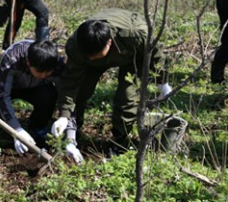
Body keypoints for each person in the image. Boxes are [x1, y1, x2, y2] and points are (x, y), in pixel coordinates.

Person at [50, 9, 172, 164]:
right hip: (92, 61)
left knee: (127, 99)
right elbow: (71, 83)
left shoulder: (135, 34)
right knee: (80, 92)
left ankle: (119, 142)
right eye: (89, 55)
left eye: (96, 54)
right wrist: (64, 116)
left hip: (132, 56)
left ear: (109, 42)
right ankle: (72, 136)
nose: (92, 57)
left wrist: (163, 82)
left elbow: (157, 53)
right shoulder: (77, 46)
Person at [0, 39, 64, 155]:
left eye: (47, 74)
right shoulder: (12, 58)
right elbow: (2, 95)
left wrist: (64, 118)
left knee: (49, 94)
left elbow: (65, 93)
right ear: (28, 62)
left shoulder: (56, 62)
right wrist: (16, 129)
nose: (43, 76)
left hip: (36, 88)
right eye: (40, 72)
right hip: (11, 86)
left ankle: (38, 126)